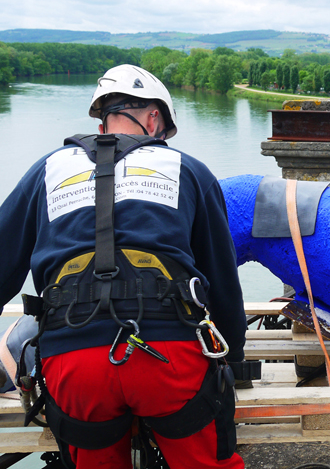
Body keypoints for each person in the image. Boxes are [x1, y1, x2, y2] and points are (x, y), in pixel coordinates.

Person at [0, 65, 248, 468]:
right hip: (168, 354)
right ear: (154, 118)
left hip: (74, 358)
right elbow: (221, 280)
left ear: (102, 119)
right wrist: (233, 357)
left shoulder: (47, 170)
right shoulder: (188, 170)